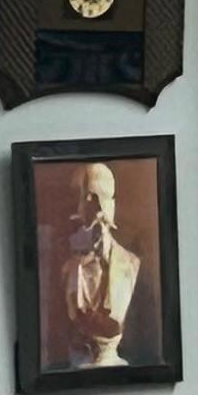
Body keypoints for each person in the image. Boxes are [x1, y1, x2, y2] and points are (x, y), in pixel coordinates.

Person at [54, 159, 143, 371]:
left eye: (90, 195)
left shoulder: (131, 263)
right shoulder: (67, 268)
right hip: (79, 363)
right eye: (79, 195)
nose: (83, 202)